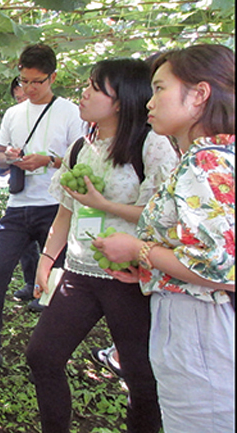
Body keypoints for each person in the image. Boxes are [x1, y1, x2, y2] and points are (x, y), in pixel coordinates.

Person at [26, 58, 179, 433]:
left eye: (96, 86)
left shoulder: (151, 145)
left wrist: (104, 205)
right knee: (42, 356)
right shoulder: (81, 147)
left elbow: (164, 217)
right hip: (81, 273)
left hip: (130, 277)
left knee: (142, 379)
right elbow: (66, 212)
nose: (84, 91)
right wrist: (47, 259)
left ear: (121, 99)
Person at [93, 44, 235, 433]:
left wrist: (140, 250)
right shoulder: (213, 156)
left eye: (159, 89)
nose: (149, 102)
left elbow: (221, 265)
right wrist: (149, 265)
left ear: (200, 95)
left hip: (201, 331)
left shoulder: (206, 162)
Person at [0, 44, 85, 378]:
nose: (28, 88)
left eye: (37, 81)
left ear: (53, 77)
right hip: (18, 205)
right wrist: (7, 158)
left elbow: (82, 162)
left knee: (63, 282)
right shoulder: (13, 114)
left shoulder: (70, 112)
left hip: (56, 206)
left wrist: (50, 160)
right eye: (24, 81)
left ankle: (60, 353)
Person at [7, 76, 41, 304]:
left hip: (51, 198)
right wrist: (5, 159)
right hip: (21, 196)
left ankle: (47, 291)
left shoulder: (57, 116)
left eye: (26, 97)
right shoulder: (14, 120)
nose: (23, 102)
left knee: (52, 248)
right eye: (19, 98)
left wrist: (46, 160)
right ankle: (31, 284)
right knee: (26, 247)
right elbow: (2, 160)